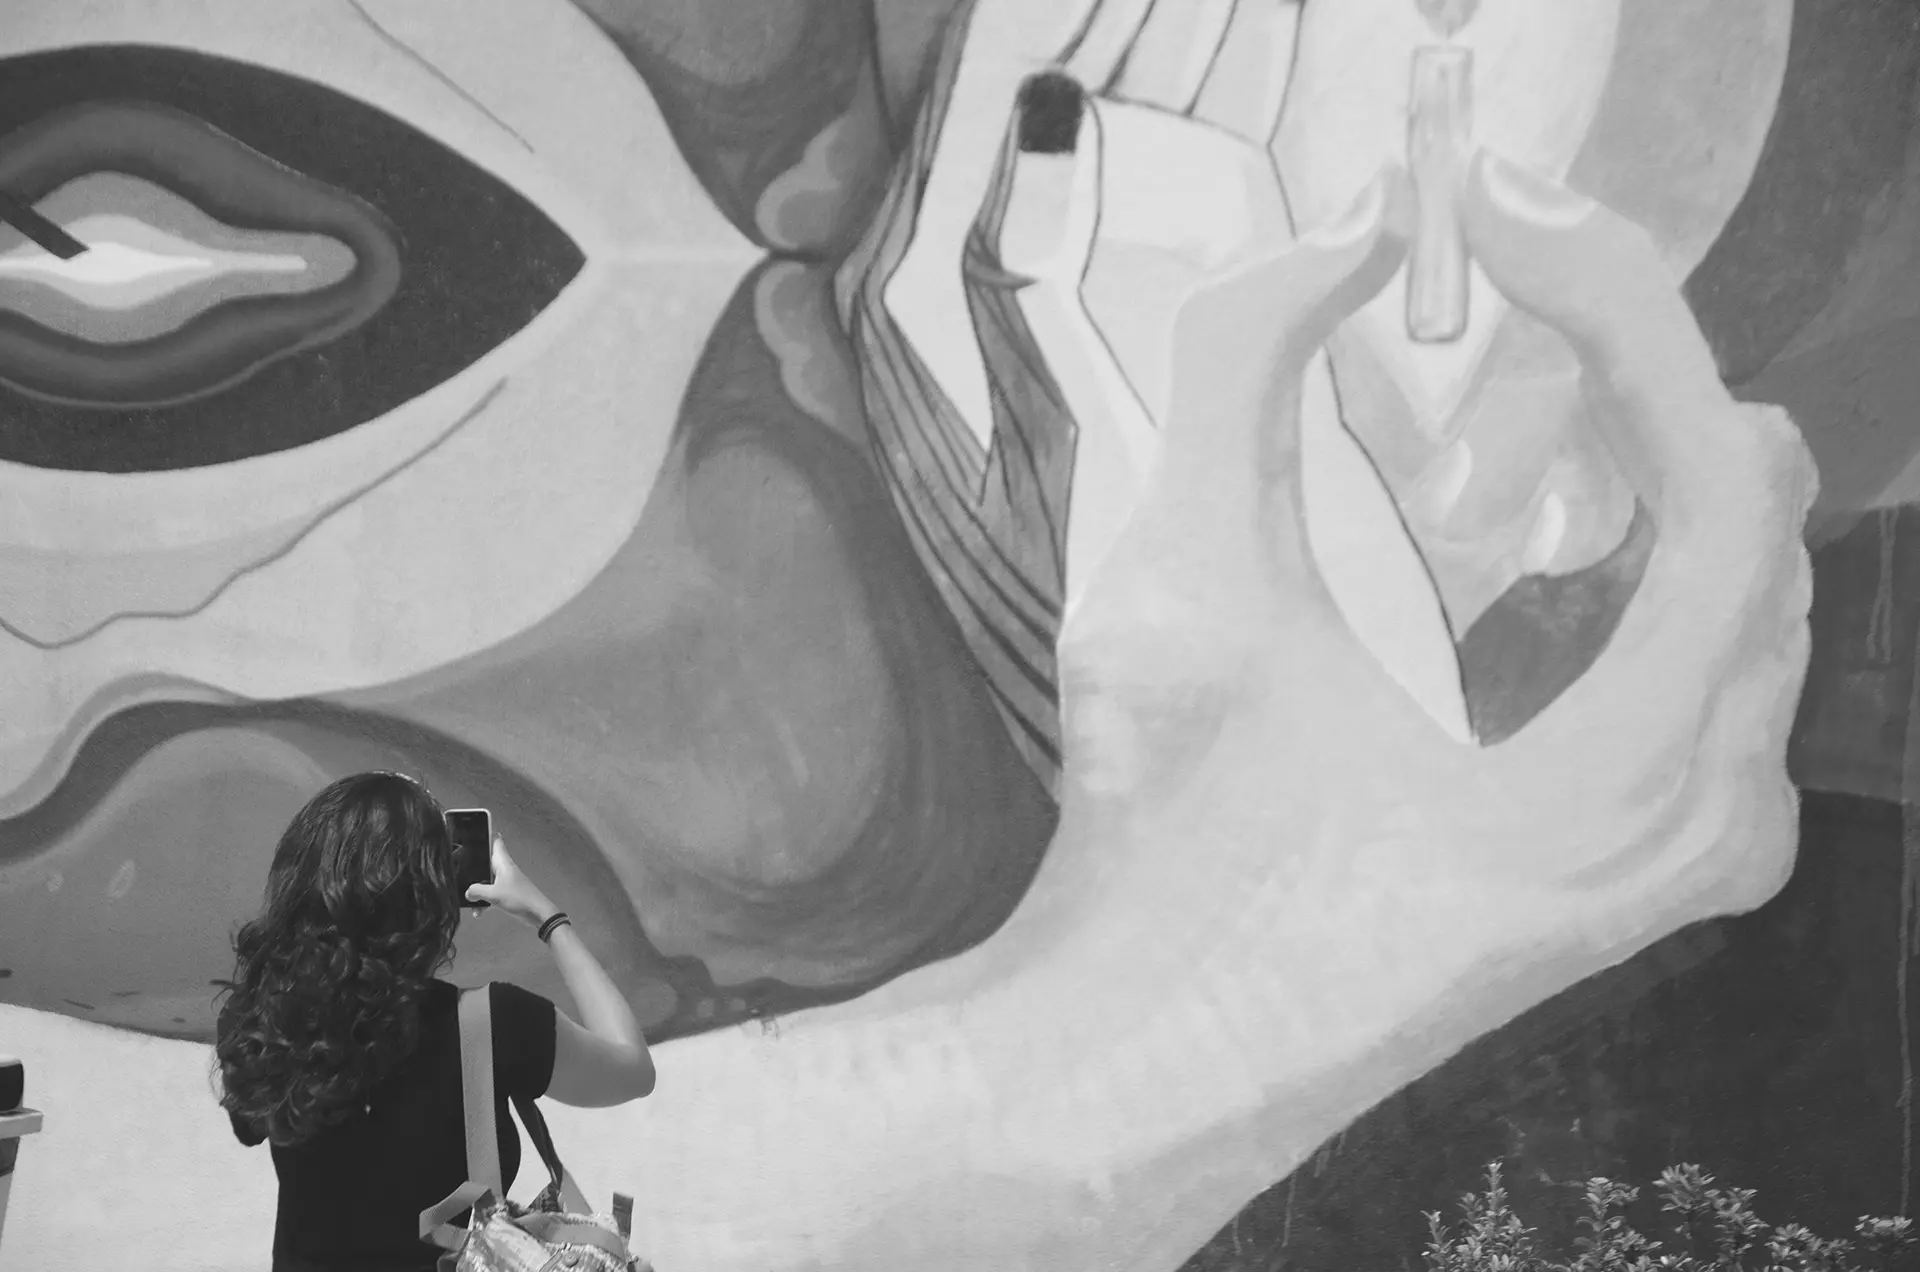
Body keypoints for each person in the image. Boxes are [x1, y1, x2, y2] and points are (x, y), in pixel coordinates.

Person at [212, 771, 655, 1272]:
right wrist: (547, 918)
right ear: (431, 893)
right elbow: (634, 1070)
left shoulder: (259, 1021)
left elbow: (253, 1127)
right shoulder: (493, 1022)